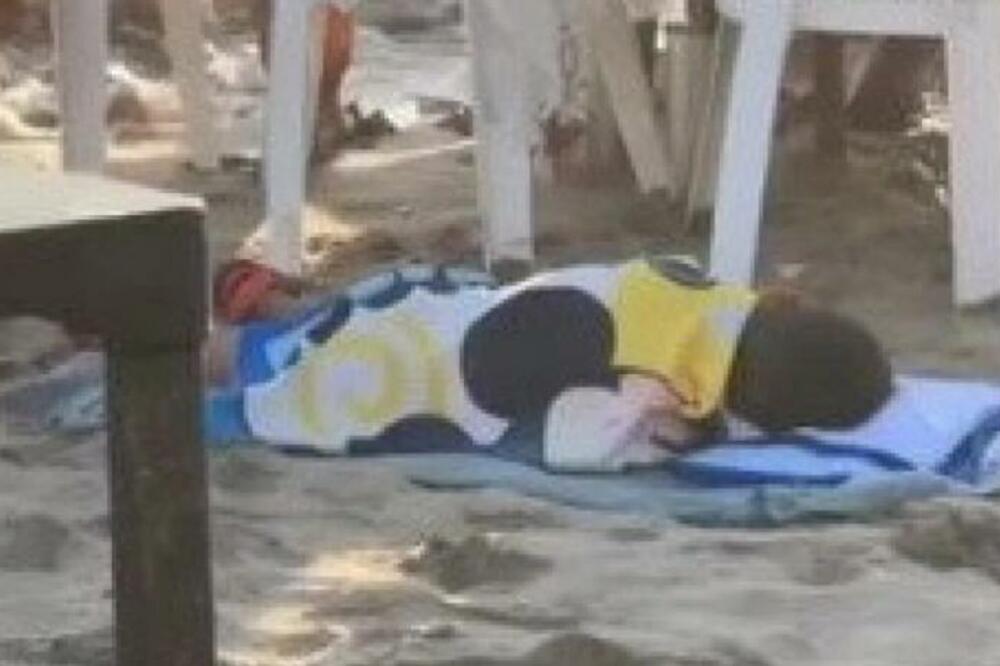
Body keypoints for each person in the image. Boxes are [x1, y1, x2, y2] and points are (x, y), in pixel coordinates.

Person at [205, 257, 893, 471]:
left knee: (394, 307)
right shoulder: (661, 407)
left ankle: (270, 315)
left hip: (434, 316)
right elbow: (576, 445)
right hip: (405, 366)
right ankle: (253, 330)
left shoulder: (690, 284)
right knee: (291, 367)